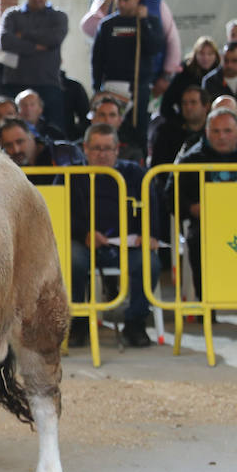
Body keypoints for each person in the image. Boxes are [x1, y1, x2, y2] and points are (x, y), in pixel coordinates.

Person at [67, 123, 162, 349]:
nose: (102, 154)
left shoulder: (135, 173)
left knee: (150, 262)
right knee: (70, 259)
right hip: (83, 243)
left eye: (108, 148)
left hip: (126, 246)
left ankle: (135, 322)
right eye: (97, 148)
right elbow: (58, 213)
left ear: (117, 149)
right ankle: (78, 322)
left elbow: (153, 206)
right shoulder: (69, 174)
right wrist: (84, 233)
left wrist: (149, 234)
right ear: (85, 148)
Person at [168, 108, 237, 299]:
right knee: (198, 238)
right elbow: (171, 194)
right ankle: (206, 303)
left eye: (227, 131)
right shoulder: (191, 160)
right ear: (207, 133)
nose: (221, 137)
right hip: (206, 224)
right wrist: (191, 208)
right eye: (216, 131)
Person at [81, 0, 181, 90]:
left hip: (147, 80)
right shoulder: (105, 6)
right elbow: (88, 28)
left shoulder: (155, 4)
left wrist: (167, 75)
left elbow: (170, 40)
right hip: (114, 82)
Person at [90, 0, 164, 150]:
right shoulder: (107, 25)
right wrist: (97, 90)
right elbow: (97, 60)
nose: (122, 4)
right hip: (112, 87)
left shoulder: (150, 21)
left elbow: (154, 48)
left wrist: (144, 22)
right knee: (113, 129)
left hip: (139, 88)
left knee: (139, 131)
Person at [0, 0, 70, 133]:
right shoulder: (12, 15)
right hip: (15, 83)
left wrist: (22, 34)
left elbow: (54, 39)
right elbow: (5, 42)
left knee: (54, 132)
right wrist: (37, 46)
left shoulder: (58, 17)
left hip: (48, 83)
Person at [0, 118, 85, 184]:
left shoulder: (65, 152)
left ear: (32, 136)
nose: (16, 150)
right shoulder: (5, 168)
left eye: (20, 142)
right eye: (8, 145)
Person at [158, 36, 221, 119]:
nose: (206, 58)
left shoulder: (220, 75)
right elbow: (166, 104)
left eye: (210, 54)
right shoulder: (183, 73)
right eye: (201, 53)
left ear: (215, 56)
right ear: (195, 54)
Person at [148, 84, 208, 168]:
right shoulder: (167, 132)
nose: (188, 107)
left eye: (193, 102)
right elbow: (158, 166)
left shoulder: (213, 132)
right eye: (184, 103)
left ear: (206, 106)